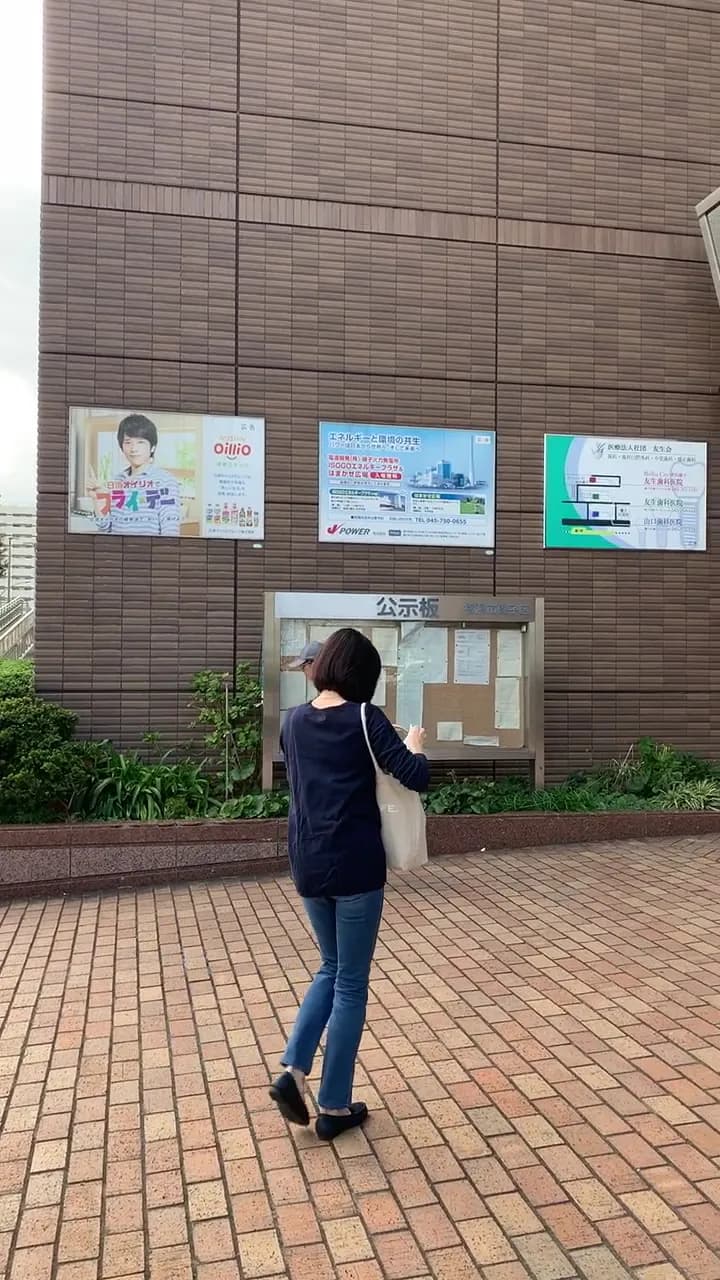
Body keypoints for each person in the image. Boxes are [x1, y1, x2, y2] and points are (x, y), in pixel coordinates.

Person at [269, 627, 429, 1141]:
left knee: (330, 967)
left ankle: (293, 1069)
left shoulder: (292, 721)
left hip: (308, 862)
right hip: (356, 865)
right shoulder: (366, 717)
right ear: (364, 674)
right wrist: (416, 746)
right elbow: (414, 775)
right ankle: (334, 1105)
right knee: (351, 981)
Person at [90, 414, 181, 536]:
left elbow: (170, 531)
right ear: (122, 446)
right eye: (128, 442)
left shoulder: (166, 481)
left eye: (140, 442)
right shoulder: (117, 480)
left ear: (152, 447)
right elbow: (105, 528)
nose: (133, 449)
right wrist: (98, 501)